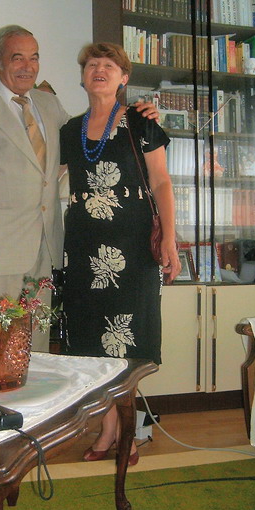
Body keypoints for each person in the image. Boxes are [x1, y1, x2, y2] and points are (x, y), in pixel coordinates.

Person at [0, 25, 160, 356]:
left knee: (37, 346)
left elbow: (95, 135)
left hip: (46, 249)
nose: (27, 66)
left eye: (34, 58)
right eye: (17, 58)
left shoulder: (48, 105)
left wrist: (139, 114)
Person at [60, 42, 181, 463]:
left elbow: (161, 181)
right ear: (82, 77)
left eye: (109, 65)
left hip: (132, 245)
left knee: (125, 339)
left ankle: (128, 433)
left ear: (123, 78)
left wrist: (169, 237)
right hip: (83, 246)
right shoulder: (69, 129)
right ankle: (108, 427)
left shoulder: (141, 122)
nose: (99, 69)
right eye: (92, 64)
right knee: (90, 338)